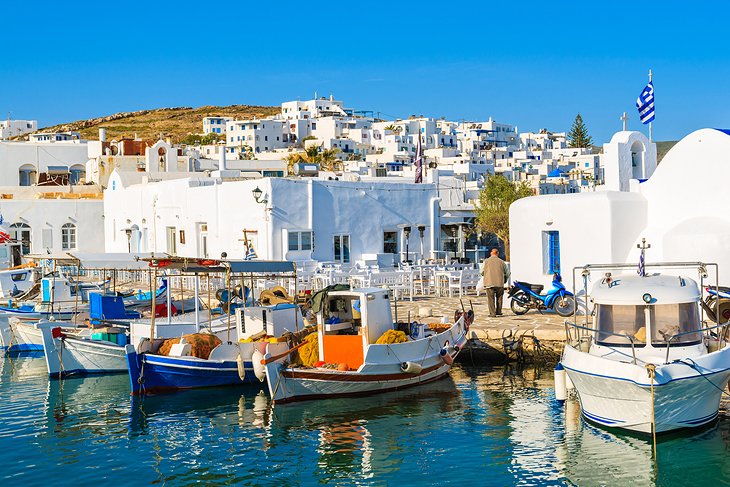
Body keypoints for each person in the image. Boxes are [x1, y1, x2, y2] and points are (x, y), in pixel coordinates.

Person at [483, 248, 509, 317]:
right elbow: (507, 273)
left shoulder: (486, 261)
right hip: (499, 282)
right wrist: (505, 280)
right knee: (499, 297)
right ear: (498, 253)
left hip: (489, 282)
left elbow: (481, 272)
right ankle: (499, 311)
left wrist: (486, 274)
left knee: (490, 299)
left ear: (491, 253)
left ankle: (492, 313)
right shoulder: (502, 262)